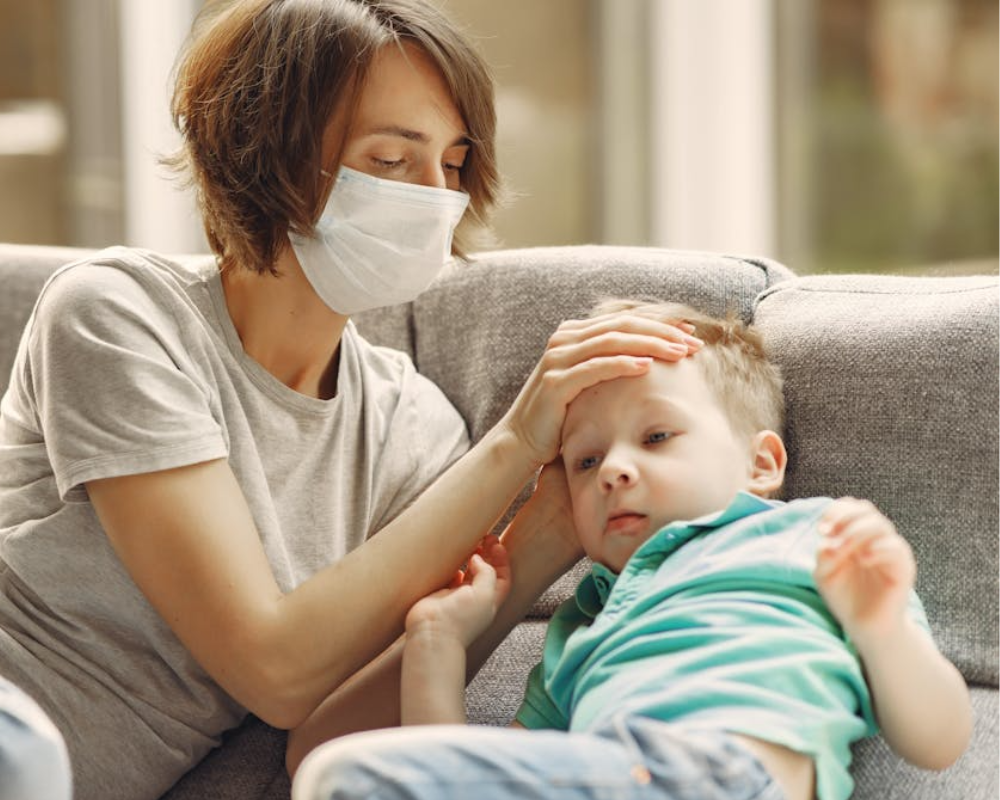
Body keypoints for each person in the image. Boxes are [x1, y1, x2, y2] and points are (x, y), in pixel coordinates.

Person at [0, 4, 703, 799]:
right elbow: (272, 667)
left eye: (453, 164)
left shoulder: (417, 432)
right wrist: (512, 445)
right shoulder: (120, 314)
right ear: (265, 156)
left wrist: (539, 537)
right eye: (392, 159)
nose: (437, 200)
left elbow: (325, 744)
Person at [291, 298, 973, 800]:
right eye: (585, 462)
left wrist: (879, 626)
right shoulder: (583, 627)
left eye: (656, 438)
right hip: (616, 771)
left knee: (345, 779)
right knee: (349, 777)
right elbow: (460, 773)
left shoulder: (816, 540)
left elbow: (940, 741)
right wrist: (437, 643)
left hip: (719, 773)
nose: (614, 470)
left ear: (761, 463)